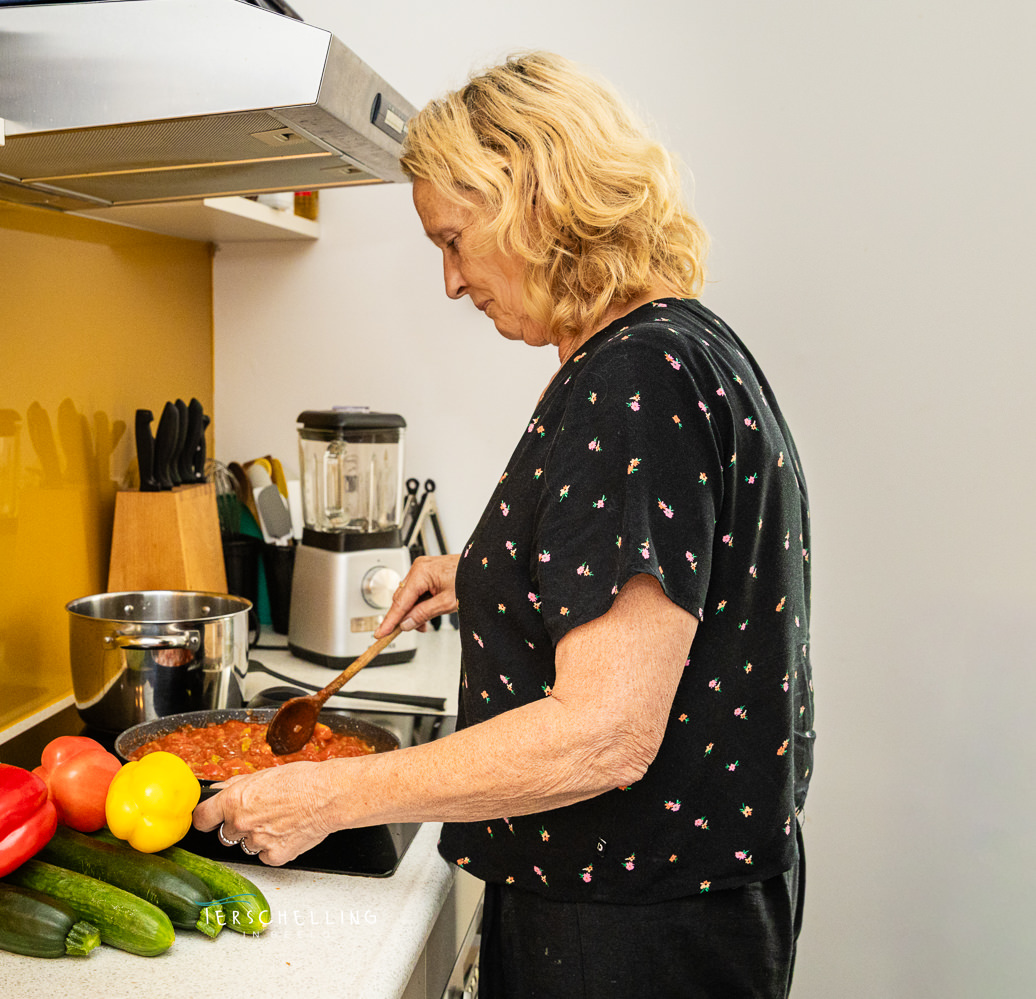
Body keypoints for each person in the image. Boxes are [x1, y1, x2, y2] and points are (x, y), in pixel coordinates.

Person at [193, 51, 814, 997]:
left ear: (534, 199)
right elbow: (678, 578)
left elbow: (604, 734)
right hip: (676, 904)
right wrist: (486, 574)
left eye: (452, 240)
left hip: (629, 929)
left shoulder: (633, 377)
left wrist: (327, 795)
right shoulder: (686, 343)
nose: (450, 281)